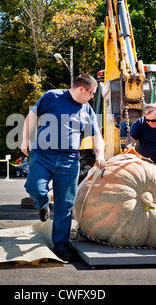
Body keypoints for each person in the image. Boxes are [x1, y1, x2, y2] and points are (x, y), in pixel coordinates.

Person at [21, 74, 106, 262]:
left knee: (65, 205)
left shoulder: (87, 109)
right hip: (43, 154)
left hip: (69, 159)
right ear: (82, 89)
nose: (92, 97)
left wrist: (99, 155)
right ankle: (42, 204)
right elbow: (32, 116)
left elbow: (96, 135)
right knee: (34, 187)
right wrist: (25, 138)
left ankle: (61, 245)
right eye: (91, 93)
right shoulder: (52, 96)